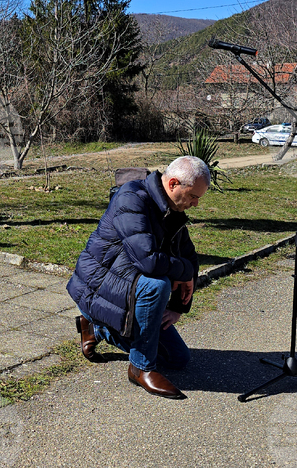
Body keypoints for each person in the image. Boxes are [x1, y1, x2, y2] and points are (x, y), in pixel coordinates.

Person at [66, 156, 209, 400]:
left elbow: (190, 259)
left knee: (178, 359)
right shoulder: (131, 198)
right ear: (173, 183)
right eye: (193, 196)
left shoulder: (172, 208)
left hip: (128, 287)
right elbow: (149, 261)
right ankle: (141, 367)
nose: (195, 204)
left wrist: (177, 306)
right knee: (158, 284)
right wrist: (182, 273)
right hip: (100, 285)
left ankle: (96, 329)